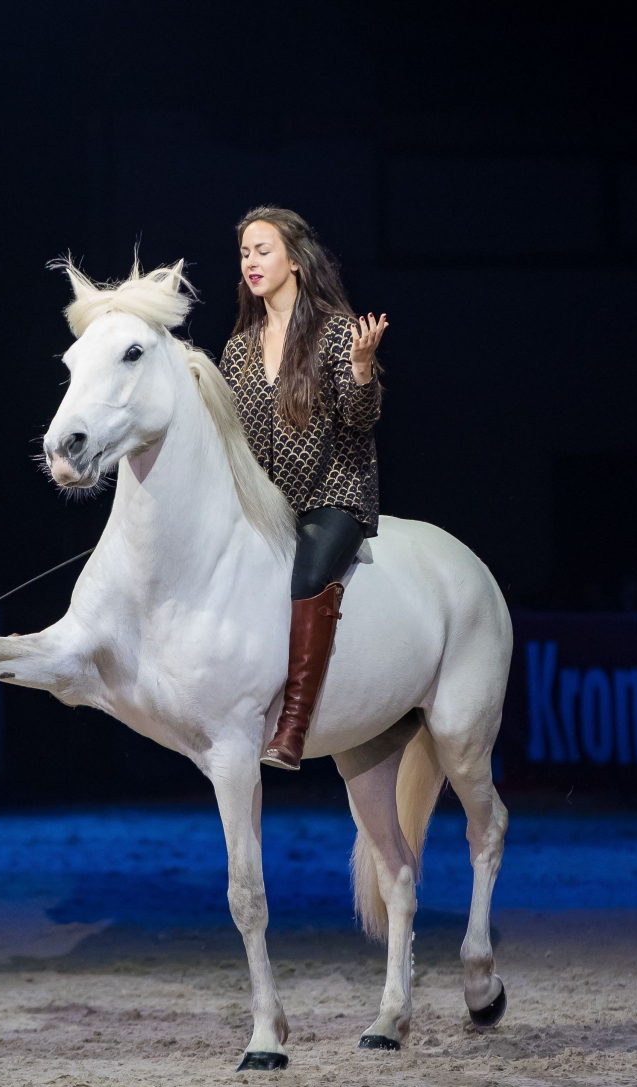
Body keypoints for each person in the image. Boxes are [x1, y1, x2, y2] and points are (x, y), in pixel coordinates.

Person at [218, 206, 388, 771]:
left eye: (262, 250)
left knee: (311, 573)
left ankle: (293, 726)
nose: (251, 262)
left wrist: (362, 370)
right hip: (268, 502)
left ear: (295, 261)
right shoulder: (238, 348)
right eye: (244, 253)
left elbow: (360, 420)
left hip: (334, 493)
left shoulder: (338, 332)